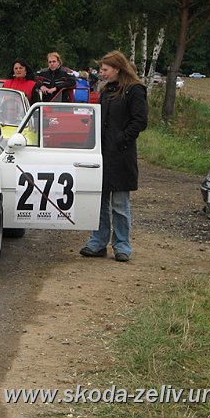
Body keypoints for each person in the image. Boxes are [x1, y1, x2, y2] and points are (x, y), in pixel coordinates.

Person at [79, 50, 148, 262]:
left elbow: (140, 121)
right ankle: (98, 242)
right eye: (101, 69)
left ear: (117, 69)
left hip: (121, 155)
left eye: (105, 69)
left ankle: (122, 245)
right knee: (98, 202)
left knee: (119, 204)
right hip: (101, 154)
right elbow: (99, 119)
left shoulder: (135, 90)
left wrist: (121, 139)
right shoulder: (106, 90)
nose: (101, 73)